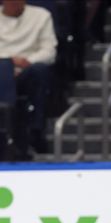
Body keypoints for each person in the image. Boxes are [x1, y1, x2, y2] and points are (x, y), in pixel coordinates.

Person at [0, 0, 57, 159]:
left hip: (26, 71)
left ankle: (35, 130)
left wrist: (28, 62)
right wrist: (9, 62)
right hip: (2, 71)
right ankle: (7, 131)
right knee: (3, 68)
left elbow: (49, 51)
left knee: (40, 70)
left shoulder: (41, 16)